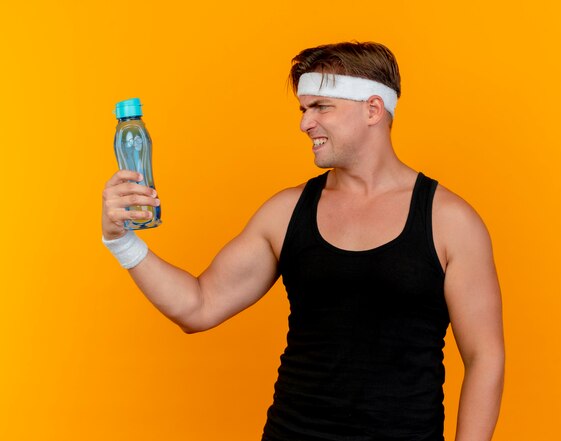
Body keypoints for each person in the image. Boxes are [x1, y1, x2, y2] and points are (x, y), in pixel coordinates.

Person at [102, 42, 504, 441]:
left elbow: (484, 358)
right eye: (303, 109)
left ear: (373, 109)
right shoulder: (286, 212)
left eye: (321, 107)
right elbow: (198, 306)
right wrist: (122, 240)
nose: (304, 123)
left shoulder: (450, 222)